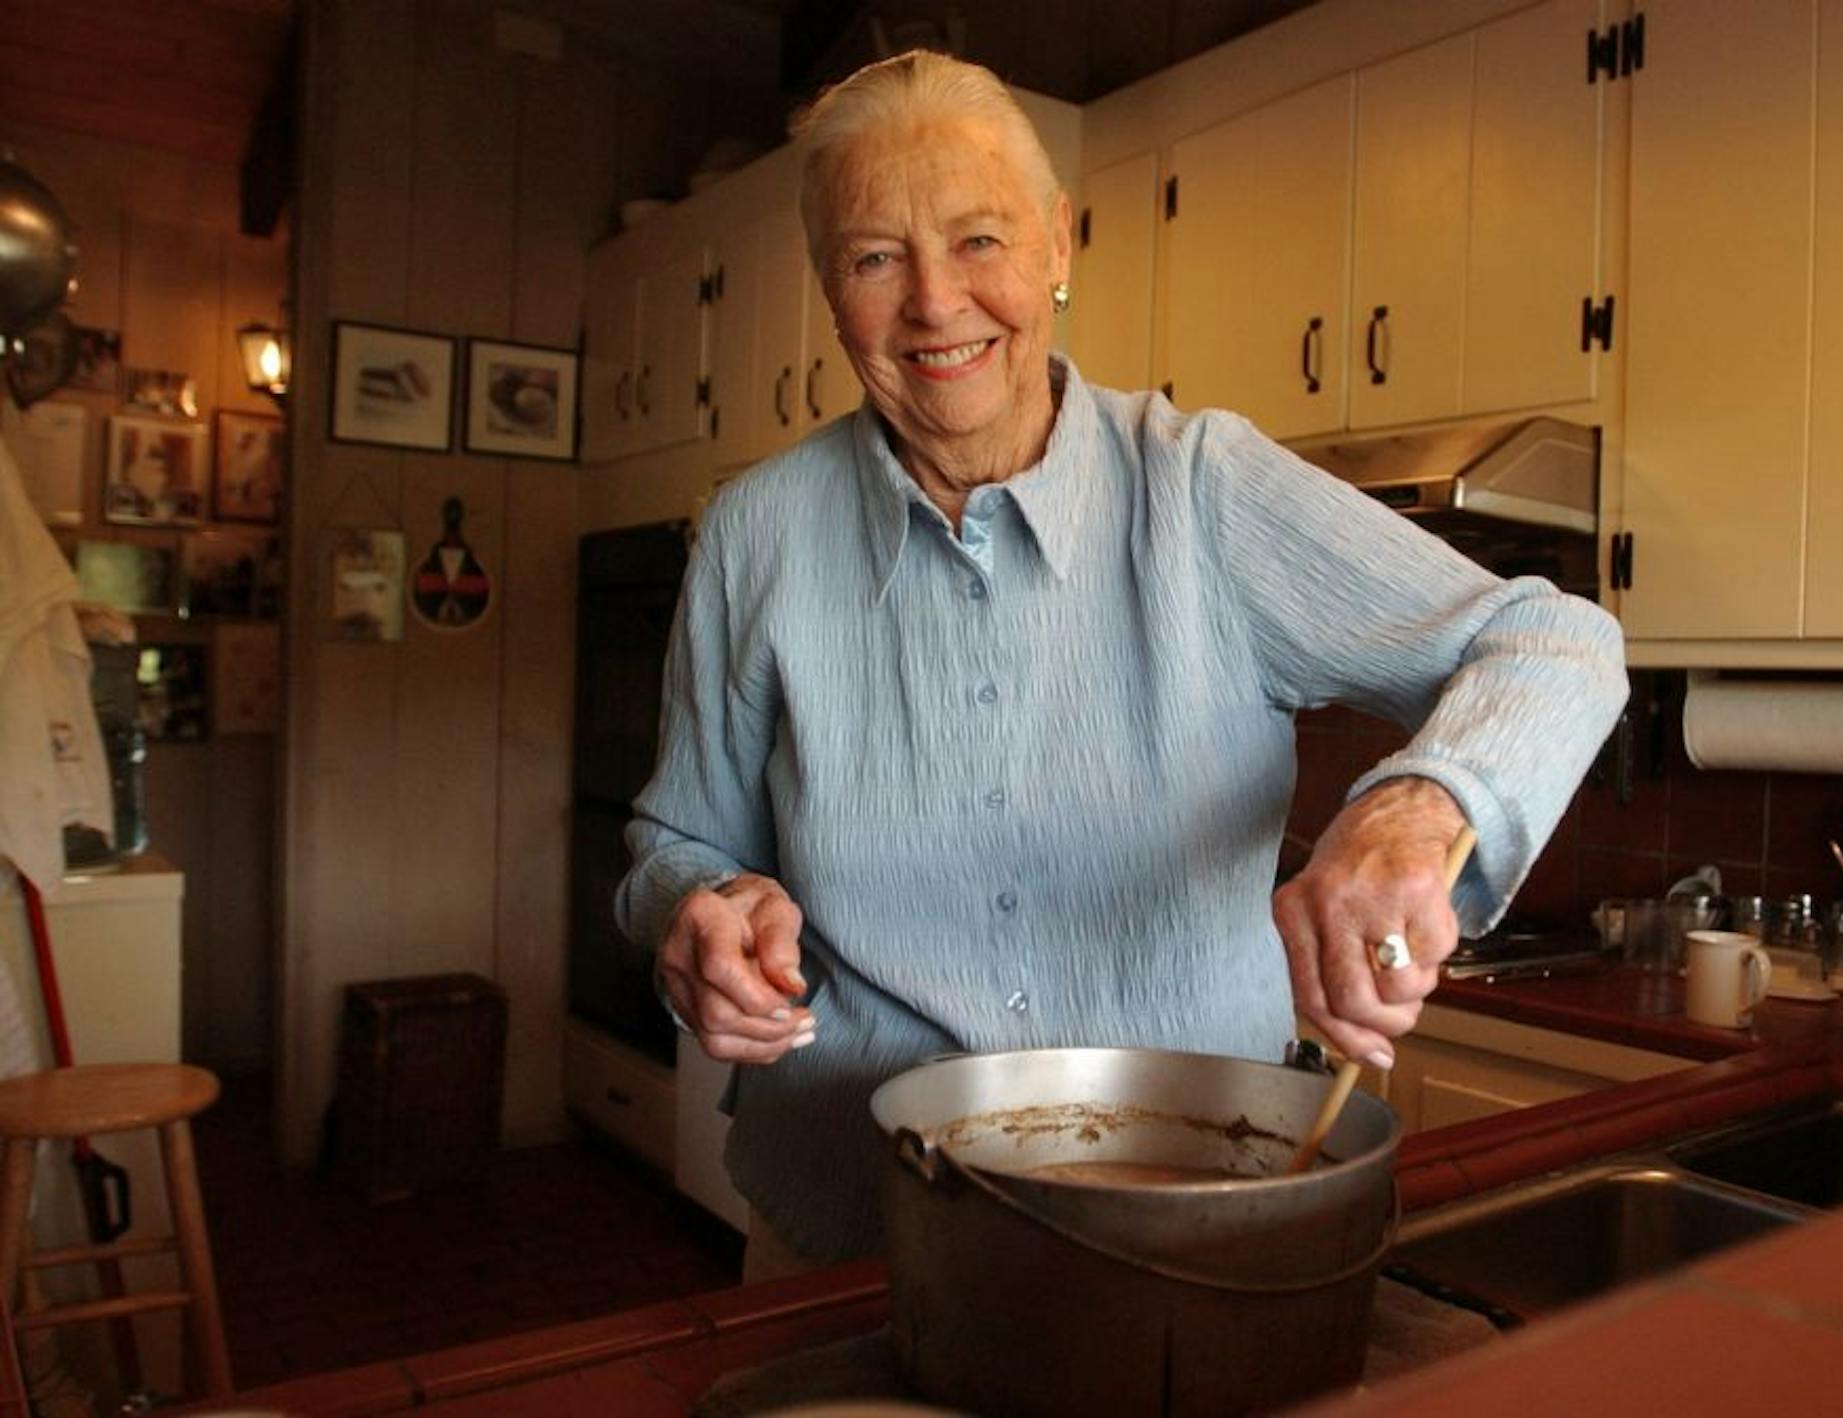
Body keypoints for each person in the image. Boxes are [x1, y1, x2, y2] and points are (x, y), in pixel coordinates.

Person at [619, 50, 1628, 1275]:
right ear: (831, 286)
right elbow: (679, 839)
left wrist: (1416, 809)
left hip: (1187, 1215)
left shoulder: (1204, 489)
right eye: (877, 257)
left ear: (1057, 245)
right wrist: (698, 911)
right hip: (850, 1219)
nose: (937, 303)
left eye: (980, 239)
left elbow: (1557, 637)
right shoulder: (755, 534)